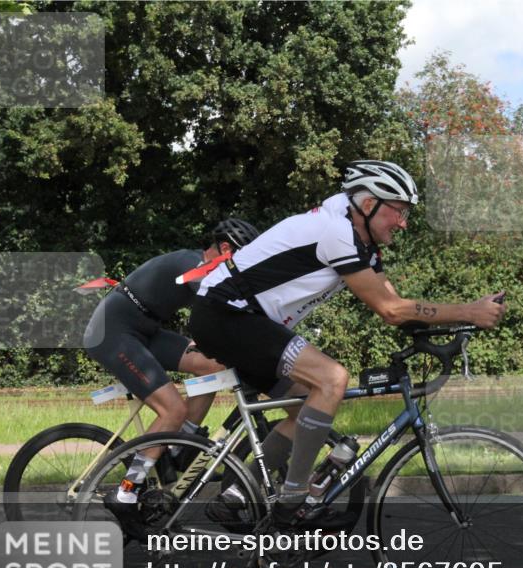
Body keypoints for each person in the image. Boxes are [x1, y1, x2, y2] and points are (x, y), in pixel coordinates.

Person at [189, 160, 505, 529]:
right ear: (369, 204)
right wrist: (469, 311)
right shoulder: (336, 232)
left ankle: (235, 496)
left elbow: (397, 306)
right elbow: (390, 309)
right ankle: (294, 502)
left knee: (306, 405)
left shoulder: (362, 242)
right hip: (226, 314)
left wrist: (450, 329)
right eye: (399, 211)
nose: (403, 223)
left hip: (244, 320)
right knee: (332, 379)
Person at [85, 218, 260, 535]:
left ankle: (179, 446)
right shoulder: (194, 265)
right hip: (113, 332)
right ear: (225, 249)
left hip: (144, 330)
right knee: (172, 409)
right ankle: (127, 488)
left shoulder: (201, 268)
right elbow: (221, 310)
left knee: (213, 365)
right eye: (242, 257)